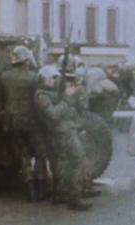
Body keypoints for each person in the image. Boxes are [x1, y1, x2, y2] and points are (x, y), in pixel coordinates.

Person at [34, 67, 92, 211]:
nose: (55, 81)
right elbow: (52, 115)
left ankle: (63, 193)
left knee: (65, 163)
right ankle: (74, 197)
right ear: (44, 78)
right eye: (52, 78)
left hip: (66, 131)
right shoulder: (41, 95)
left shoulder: (52, 93)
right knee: (77, 160)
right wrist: (66, 98)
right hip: (60, 132)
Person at [0, 46, 48, 202]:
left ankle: (30, 190)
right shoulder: (34, 77)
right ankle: (41, 189)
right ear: (26, 60)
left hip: (13, 121)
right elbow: (39, 99)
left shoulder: (4, 76)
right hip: (31, 120)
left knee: (23, 155)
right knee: (40, 153)